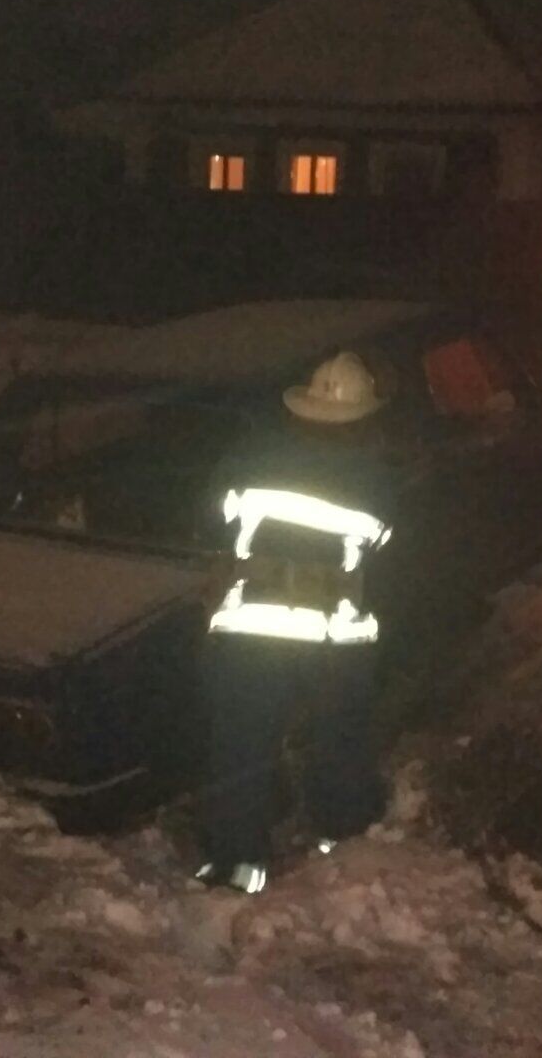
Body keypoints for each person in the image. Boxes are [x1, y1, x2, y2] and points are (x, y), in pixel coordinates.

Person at [195, 350, 396, 894]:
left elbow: (214, 515)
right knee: (339, 737)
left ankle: (238, 864)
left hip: (249, 627)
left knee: (241, 743)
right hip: (335, 636)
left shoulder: (249, 458)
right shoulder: (373, 478)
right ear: (360, 419)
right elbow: (386, 546)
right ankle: (341, 840)